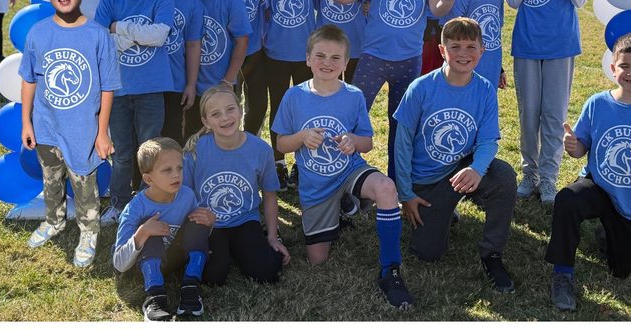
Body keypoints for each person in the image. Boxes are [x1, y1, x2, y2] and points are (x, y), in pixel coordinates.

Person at [306, 0, 465, 180]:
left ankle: (397, 180)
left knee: (400, 125)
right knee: (352, 118)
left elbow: (437, 9)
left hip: (408, 62)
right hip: (373, 60)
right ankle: (343, 175)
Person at [273, 25, 414, 310]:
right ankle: (341, 208)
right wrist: (301, 137)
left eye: (336, 58)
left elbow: (367, 142)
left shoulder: (352, 95)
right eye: (321, 56)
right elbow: (281, 145)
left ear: (346, 64)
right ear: (308, 59)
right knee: (317, 259)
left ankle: (391, 270)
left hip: (350, 171)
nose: (327, 63)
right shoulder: (294, 97)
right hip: (316, 187)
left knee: (386, 189)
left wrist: (352, 141)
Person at [545, 32, 631, 312]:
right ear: (613, 68)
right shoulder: (598, 103)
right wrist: (573, 146)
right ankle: (563, 273)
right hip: (597, 185)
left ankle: (610, 233)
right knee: (567, 199)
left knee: (624, 270)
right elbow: (581, 148)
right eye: (624, 66)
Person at [394, 17, 517, 293]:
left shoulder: (485, 89)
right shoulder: (421, 88)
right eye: (456, 46)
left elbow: (487, 140)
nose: (464, 53)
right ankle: (442, 213)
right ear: (442, 51)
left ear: (482, 51)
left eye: (471, 46)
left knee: (504, 175)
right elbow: (401, 144)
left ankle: (492, 254)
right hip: (426, 181)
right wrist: (406, 194)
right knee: (427, 253)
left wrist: (477, 168)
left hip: (462, 168)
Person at [19, 0, 120, 268]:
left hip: (83, 130)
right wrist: (26, 122)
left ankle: (88, 230)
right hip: (48, 128)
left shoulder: (98, 35)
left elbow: (107, 88)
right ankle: (54, 220)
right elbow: (30, 79)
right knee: (51, 179)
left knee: (84, 185)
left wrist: (102, 132)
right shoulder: (37, 33)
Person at [505, 0, 588, 205]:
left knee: (553, 115)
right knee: (529, 115)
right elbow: (513, 0)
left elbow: (580, 0)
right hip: (527, 44)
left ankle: (549, 179)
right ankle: (530, 175)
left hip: (560, 44)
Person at [95, 0, 175, 224]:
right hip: (116, 90)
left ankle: (146, 204)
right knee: (122, 152)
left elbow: (159, 35)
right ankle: (118, 203)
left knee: (149, 150)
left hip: (152, 88)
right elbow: (101, 40)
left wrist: (121, 28)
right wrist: (126, 35)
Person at [183, 86, 290, 286]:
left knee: (267, 272)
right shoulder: (195, 151)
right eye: (216, 114)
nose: (225, 118)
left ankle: (256, 239)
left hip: (244, 220)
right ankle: (225, 251)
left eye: (230, 109)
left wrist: (273, 238)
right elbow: (184, 195)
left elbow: (269, 195)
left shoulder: (260, 149)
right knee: (213, 276)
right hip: (209, 223)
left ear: (240, 110)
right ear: (206, 121)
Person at [113, 137, 213, 321]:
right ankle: (155, 297)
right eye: (167, 170)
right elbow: (119, 263)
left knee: (198, 220)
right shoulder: (135, 208)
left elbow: (198, 234)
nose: (176, 175)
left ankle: (191, 288)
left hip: (172, 259)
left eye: (179, 168)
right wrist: (143, 232)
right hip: (143, 264)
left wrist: (210, 221)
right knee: (149, 227)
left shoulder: (187, 195)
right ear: (149, 179)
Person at [264, 0, 319, 190]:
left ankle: (302, 164)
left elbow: (326, 3)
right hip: (275, 52)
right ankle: (277, 163)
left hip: (305, 54)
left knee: (304, 110)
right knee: (279, 109)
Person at [182, 0, 250, 136]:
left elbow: (242, 41)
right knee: (191, 136)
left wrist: (228, 80)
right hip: (189, 84)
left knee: (223, 134)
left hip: (220, 82)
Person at [220, 0, 274, 145]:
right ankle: (227, 146)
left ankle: (250, 146)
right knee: (229, 103)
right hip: (226, 49)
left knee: (259, 103)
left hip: (254, 48)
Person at [153, 0, 202, 145]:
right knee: (144, 137)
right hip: (144, 81)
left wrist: (191, 84)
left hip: (174, 80)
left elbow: (192, 44)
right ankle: (140, 179)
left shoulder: (191, 1)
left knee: (171, 136)